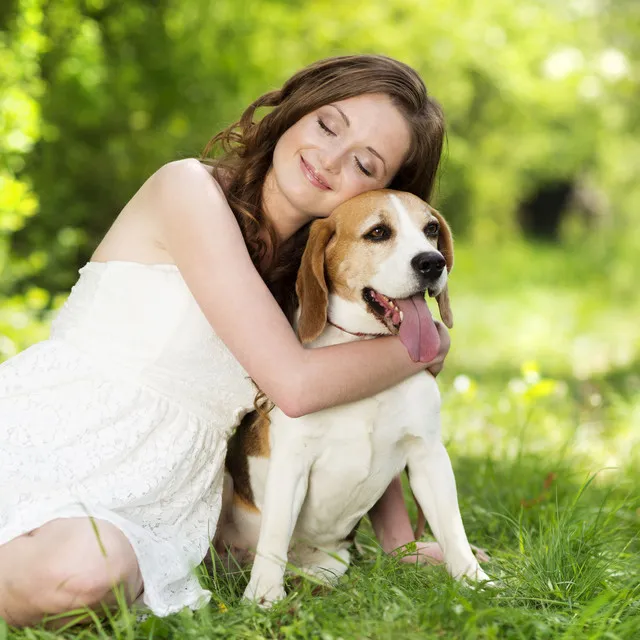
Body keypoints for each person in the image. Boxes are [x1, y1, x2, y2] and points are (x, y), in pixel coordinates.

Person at [0, 54, 453, 627]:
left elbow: (359, 406)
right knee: (79, 575)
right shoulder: (187, 189)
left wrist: (401, 543)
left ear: (381, 195)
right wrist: (426, 346)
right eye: (327, 124)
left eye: (364, 163)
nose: (329, 159)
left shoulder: (316, 284)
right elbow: (297, 386)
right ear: (296, 111)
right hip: (56, 439)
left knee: (94, 572)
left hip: (165, 497)